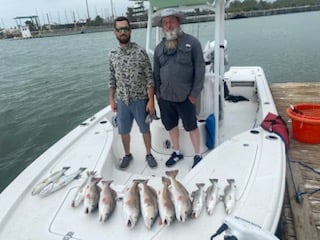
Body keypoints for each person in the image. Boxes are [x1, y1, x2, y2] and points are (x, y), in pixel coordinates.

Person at [153, 8, 205, 168]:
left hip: (186, 97)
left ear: (178, 22)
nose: (168, 25)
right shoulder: (158, 48)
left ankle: (197, 154)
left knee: (191, 126)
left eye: (171, 21)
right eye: (165, 22)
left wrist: (194, 94)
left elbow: (200, 69)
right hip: (165, 98)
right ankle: (177, 152)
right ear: (162, 26)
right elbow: (156, 74)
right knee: (171, 126)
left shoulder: (193, 43)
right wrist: (158, 95)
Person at [109, 16, 157, 169]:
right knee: (123, 131)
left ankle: (149, 154)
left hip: (140, 100)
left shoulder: (141, 52)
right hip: (122, 100)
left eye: (125, 29)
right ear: (115, 32)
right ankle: (127, 154)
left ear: (130, 31)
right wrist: (111, 99)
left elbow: (150, 78)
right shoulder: (112, 55)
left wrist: (151, 101)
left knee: (145, 129)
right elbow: (111, 78)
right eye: (119, 29)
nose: (122, 32)